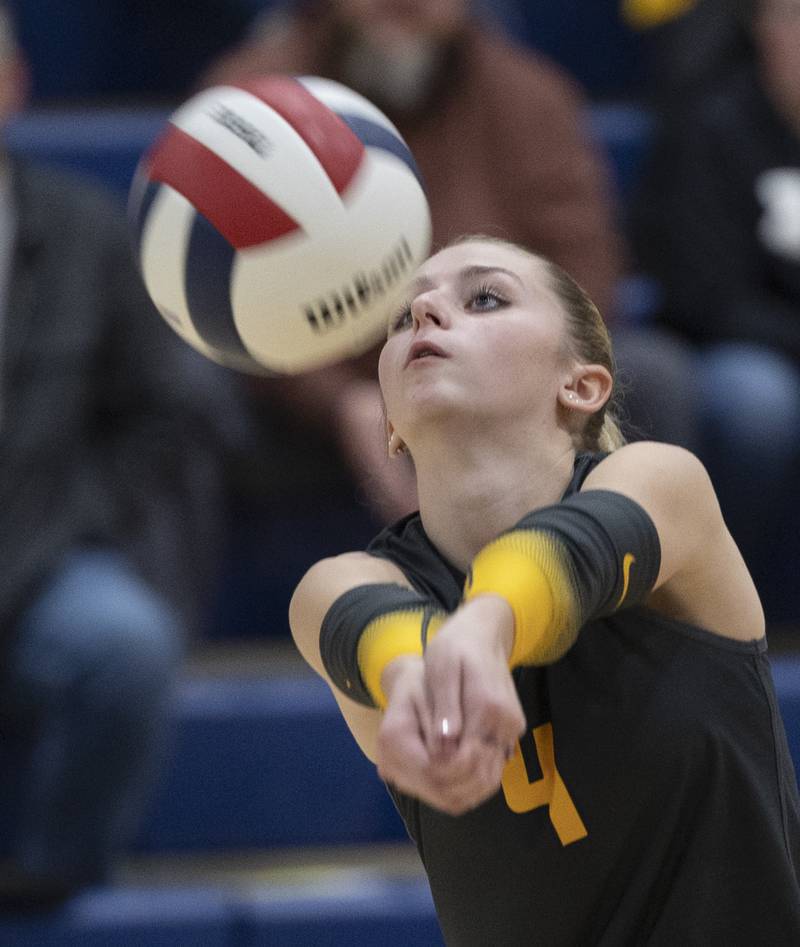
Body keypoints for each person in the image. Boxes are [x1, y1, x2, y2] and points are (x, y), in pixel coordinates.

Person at [289, 235, 800, 944]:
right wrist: (419, 681)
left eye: (485, 297)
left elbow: (571, 552)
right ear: (390, 428)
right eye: (403, 317)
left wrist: (481, 627)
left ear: (582, 384)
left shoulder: (662, 483)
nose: (427, 310)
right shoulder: (346, 581)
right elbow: (374, 629)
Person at [202, 0, 633, 525]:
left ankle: (613, 588)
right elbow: (223, 291)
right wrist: (342, 402)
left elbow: (583, 281)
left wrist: (491, 385)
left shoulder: (531, 97)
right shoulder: (250, 100)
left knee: (652, 374)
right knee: (189, 391)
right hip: (310, 394)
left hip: (497, 380)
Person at [0, 4, 242, 911]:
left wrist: (71, 516)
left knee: (124, 644)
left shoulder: (86, 231)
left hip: (40, 558)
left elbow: (171, 413)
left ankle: (53, 885)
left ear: (14, 85)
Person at [630, 0, 800, 623]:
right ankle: (718, 602)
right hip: (734, 349)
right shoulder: (715, 125)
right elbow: (707, 294)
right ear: (765, 33)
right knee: (757, 404)